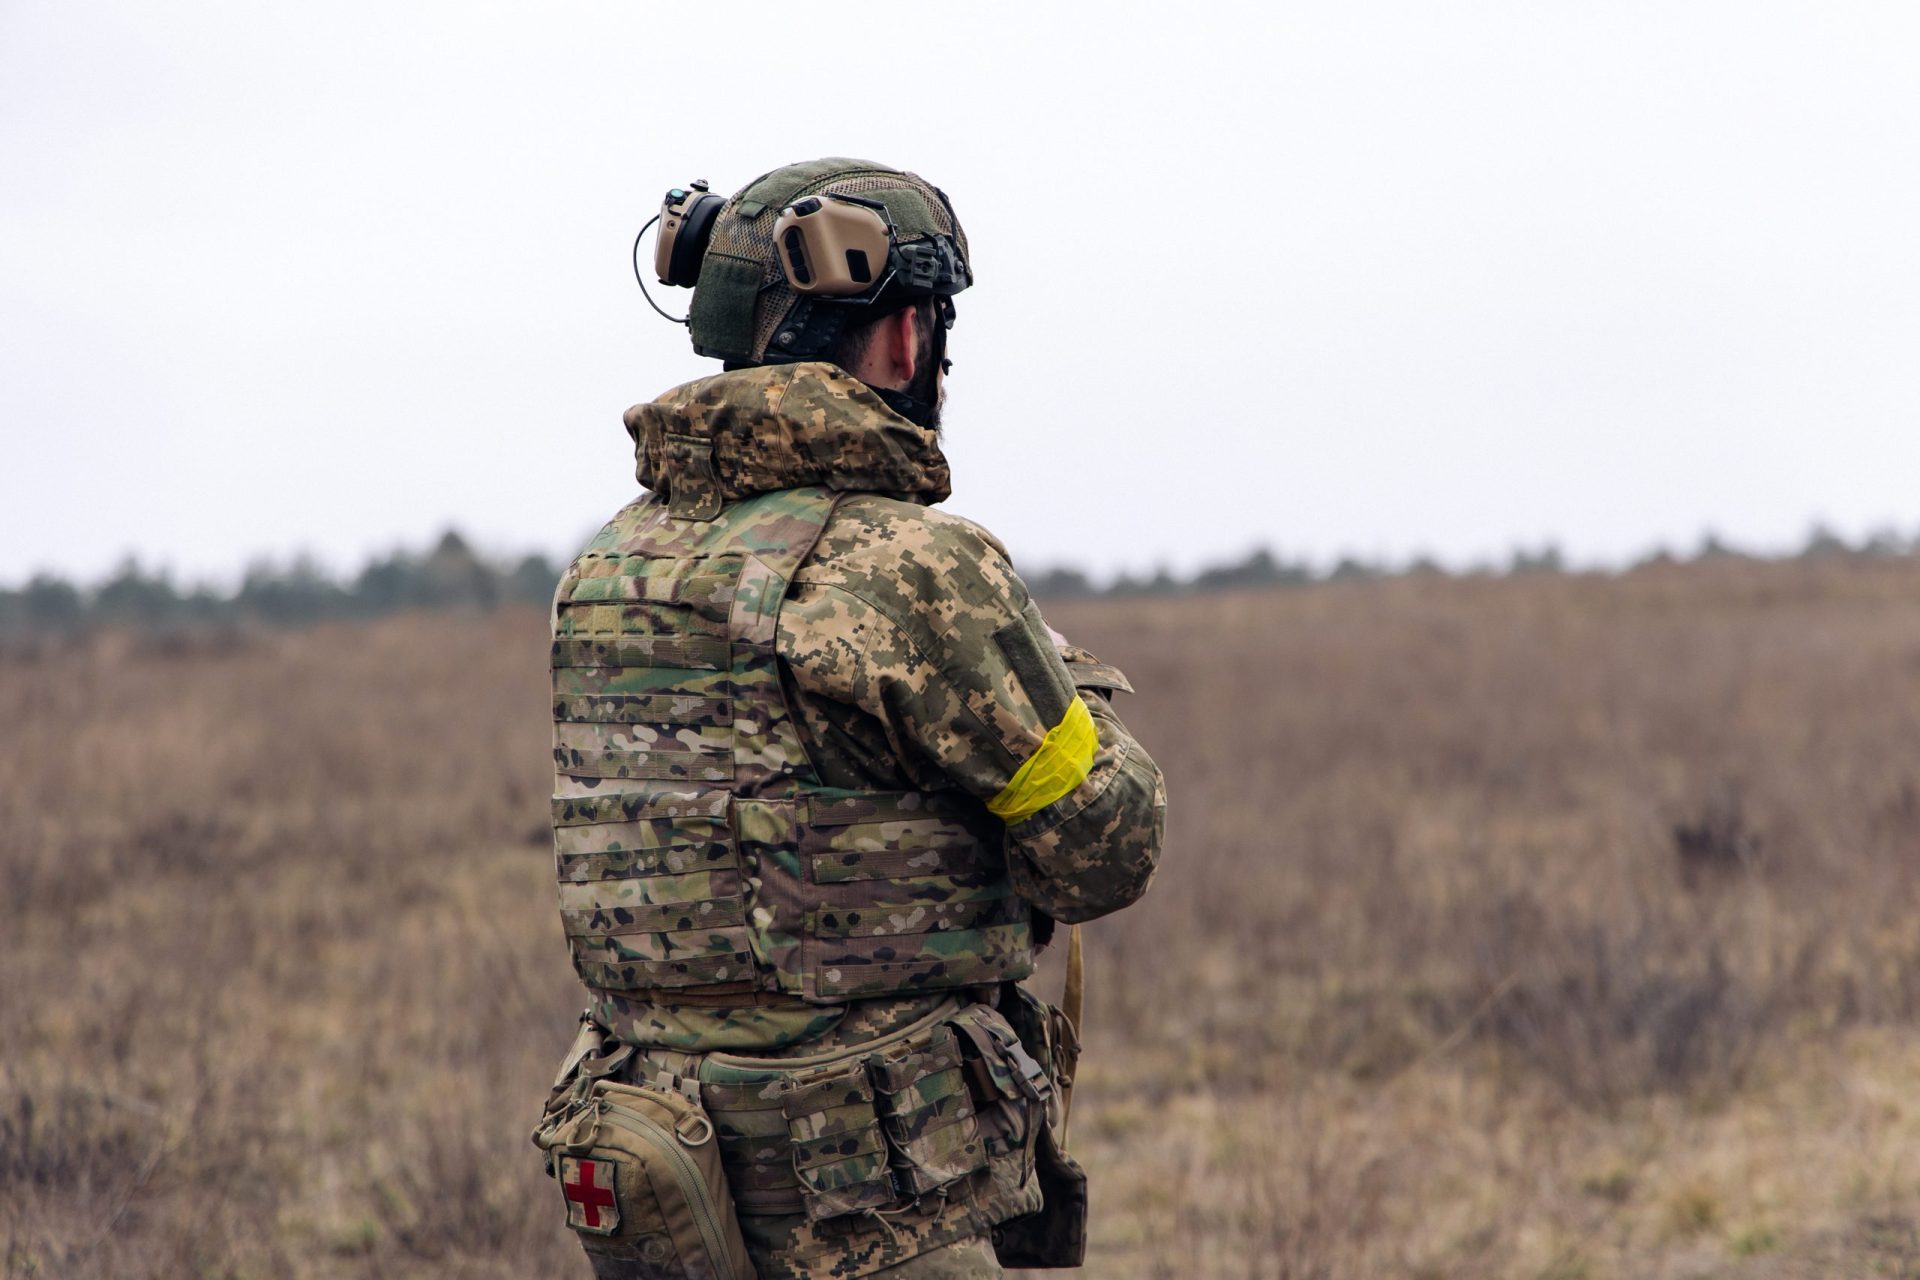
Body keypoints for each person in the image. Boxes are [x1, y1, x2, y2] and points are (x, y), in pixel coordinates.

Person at [534, 158, 1165, 1280]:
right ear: (906, 338)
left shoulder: (604, 569)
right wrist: (1067, 691)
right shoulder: (913, 567)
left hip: (660, 1189)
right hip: (876, 1205)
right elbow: (1103, 851)